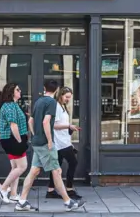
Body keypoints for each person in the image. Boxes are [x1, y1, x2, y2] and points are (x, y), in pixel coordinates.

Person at [15, 80, 85, 212]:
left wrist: (36, 134)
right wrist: (49, 140)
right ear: (57, 89)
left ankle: (22, 201)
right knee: (57, 171)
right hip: (45, 144)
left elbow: (31, 120)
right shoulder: (52, 102)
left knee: (34, 171)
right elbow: (46, 122)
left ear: (44, 88)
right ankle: (68, 202)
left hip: (37, 142)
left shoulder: (38, 101)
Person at [0, 83, 29, 203]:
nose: (20, 91)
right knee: (22, 166)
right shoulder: (9, 106)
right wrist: (20, 141)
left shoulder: (12, 105)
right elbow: (13, 125)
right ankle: (3, 188)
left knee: (15, 167)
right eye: (17, 90)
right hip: (13, 139)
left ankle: (14, 194)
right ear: (11, 92)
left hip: (11, 139)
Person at [46, 86, 82, 200]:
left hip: (63, 141)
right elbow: (54, 125)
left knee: (57, 166)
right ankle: (69, 189)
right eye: (66, 97)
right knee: (73, 162)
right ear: (61, 95)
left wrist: (70, 129)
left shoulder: (62, 106)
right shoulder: (56, 107)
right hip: (61, 143)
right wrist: (68, 126)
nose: (68, 99)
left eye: (70, 97)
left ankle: (51, 190)